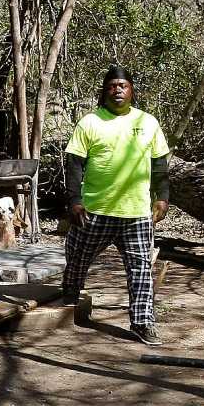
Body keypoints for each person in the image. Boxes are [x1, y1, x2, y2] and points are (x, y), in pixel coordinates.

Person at [60, 65, 171, 345]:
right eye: (112, 85)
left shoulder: (148, 122)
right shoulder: (90, 122)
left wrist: (162, 196)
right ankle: (71, 290)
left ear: (131, 90)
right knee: (77, 257)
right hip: (95, 210)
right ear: (104, 91)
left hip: (136, 212)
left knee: (140, 269)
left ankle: (142, 322)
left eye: (123, 85)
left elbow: (159, 164)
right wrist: (74, 200)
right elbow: (74, 164)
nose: (117, 90)